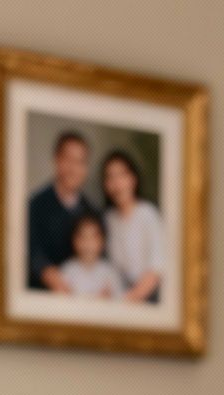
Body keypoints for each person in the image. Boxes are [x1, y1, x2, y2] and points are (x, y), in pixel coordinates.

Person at [27, 130, 98, 292]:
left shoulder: (92, 212)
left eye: (81, 162)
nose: (74, 169)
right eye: (68, 160)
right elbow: (30, 251)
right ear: (56, 160)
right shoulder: (35, 205)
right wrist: (47, 273)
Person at [99, 150, 165, 303]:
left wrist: (128, 300)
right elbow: (109, 269)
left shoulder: (148, 214)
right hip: (122, 295)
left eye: (122, 175)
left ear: (133, 179)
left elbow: (157, 268)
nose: (117, 184)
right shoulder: (108, 219)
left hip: (151, 296)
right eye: (110, 177)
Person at [56, 213, 122, 299]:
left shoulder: (110, 273)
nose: (88, 243)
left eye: (93, 237)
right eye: (83, 237)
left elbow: (121, 303)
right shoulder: (66, 271)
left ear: (102, 241)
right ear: (74, 241)